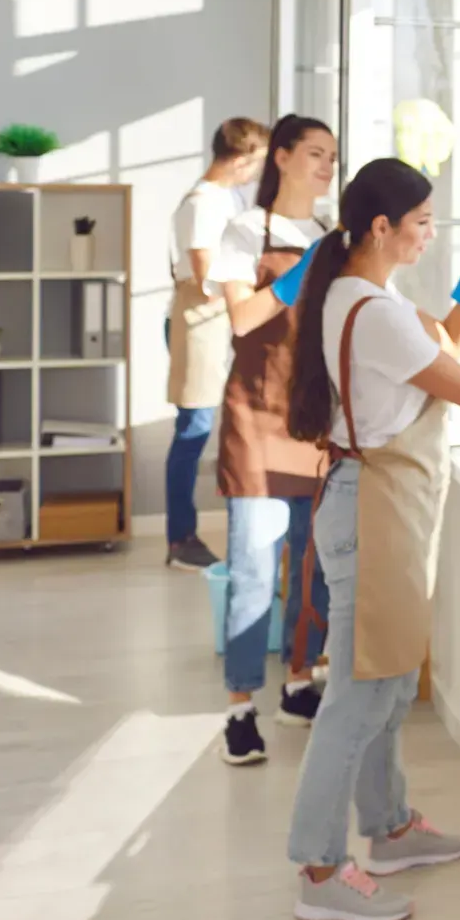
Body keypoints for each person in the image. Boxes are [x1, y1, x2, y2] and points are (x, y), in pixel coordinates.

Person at [280, 157, 460, 920]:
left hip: (378, 506)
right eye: (421, 222)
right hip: (373, 513)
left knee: (386, 683)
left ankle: (388, 828)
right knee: (359, 696)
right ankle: (320, 869)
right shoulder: (372, 310)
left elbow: (438, 347)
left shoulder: (358, 294)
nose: (429, 234)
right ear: (382, 227)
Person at [204, 114, 336, 763]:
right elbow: (241, 319)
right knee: (255, 572)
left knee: (314, 568)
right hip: (256, 419)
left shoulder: (331, 236)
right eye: (315, 153)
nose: (327, 166)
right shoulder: (242, 231)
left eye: (333, 156)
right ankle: (240, 709)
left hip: (314, 422)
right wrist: (295, 275)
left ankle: (299, 684)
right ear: (280, 157)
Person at [164, 117, 267, 571]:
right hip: (199, 324)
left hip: (217, 324)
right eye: (258, 161)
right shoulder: (202, 204)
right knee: (193, 431)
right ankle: (180, 538)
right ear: (242, 159)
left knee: (205, 429)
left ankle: (187, 535)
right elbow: (208, 280)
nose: (259, 171)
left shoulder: (228, 198)